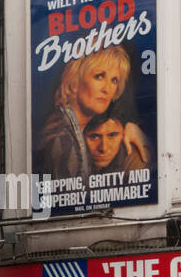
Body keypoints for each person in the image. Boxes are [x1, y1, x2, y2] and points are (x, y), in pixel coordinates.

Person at [34, 46, 149, 184]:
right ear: (75, 81)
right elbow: (73, 204)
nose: (107, 88)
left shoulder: (72, 130)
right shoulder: (62, 139)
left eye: (114, 80)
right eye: (99, 76)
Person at [84, 106, 147, 174]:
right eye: (94, 137)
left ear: (123, 134)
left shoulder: (135, 160)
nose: (104, 148)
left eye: (112, 135)